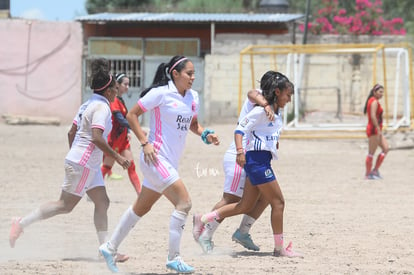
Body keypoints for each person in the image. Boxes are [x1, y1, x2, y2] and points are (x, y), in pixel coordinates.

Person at [98, 55, 220, 274]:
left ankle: (109, 247)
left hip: (169, 162)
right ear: (175, 74)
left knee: (141, 208)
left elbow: (193, 124)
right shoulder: (161, 93)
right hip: (156, 159)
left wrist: (205, 135)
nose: (193, 77)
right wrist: (145, 143)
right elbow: (132, 114)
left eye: (194, 73)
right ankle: (174, 258)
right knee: (184, 203)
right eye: (189, 73)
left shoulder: (193, 97)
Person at [9, 58, 131, 263]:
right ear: (109, 91)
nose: (117, 91)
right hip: (84, 164)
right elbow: (96, 137)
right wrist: (117, 157)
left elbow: (71, 132)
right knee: (64, 206)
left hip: (84, 163)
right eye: (115, 88)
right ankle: (21, 223)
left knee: (103, 202)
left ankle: (105, 250)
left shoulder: (87, 104)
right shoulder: (101, 108)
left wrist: (75, 156)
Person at [200, 71, 302, 258]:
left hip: (259, 161)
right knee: (277, 202)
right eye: (288, 95)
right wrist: (240, 152)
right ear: (277, 92)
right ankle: (279, 249)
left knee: (245, 205)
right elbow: (239, 129)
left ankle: (206, 218)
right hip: (254, 162)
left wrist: (272, 143)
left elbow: (263, 133)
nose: (289, 99)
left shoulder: (274, 113)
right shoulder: (261, 109)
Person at [192, 76, 276, 254]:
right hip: (239, 156)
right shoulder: (259, 98)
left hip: (254, 158)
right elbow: (251, 93)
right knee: (231, 199)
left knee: (265, 196)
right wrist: (266, 104)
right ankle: (205, 230)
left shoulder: (274, 108)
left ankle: (243, 232)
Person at [101, 73, 142, 194]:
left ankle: (140, 194)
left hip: (123, 139)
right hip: (114, 139)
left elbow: (123, 119)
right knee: (106, 167)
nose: (127, 87)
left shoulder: (120, 99)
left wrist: (128, 131)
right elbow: (120, 119)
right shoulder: (113, 101)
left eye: (128, 84)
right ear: (117, 85)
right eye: (125, 84)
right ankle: (92, 191)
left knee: (131, 166)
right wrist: (135, 128)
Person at [363, 84, 389, 180]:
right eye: (380, 92)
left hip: (376, 128)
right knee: (371, 152)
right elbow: (373, 116)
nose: (382, 94)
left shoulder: (374, 101)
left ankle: (375, 170)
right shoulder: (374, 102)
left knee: (386, 148)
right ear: (374, 92)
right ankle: (368, 173)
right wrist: (378, 128)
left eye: (383, 92)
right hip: (374, 129)